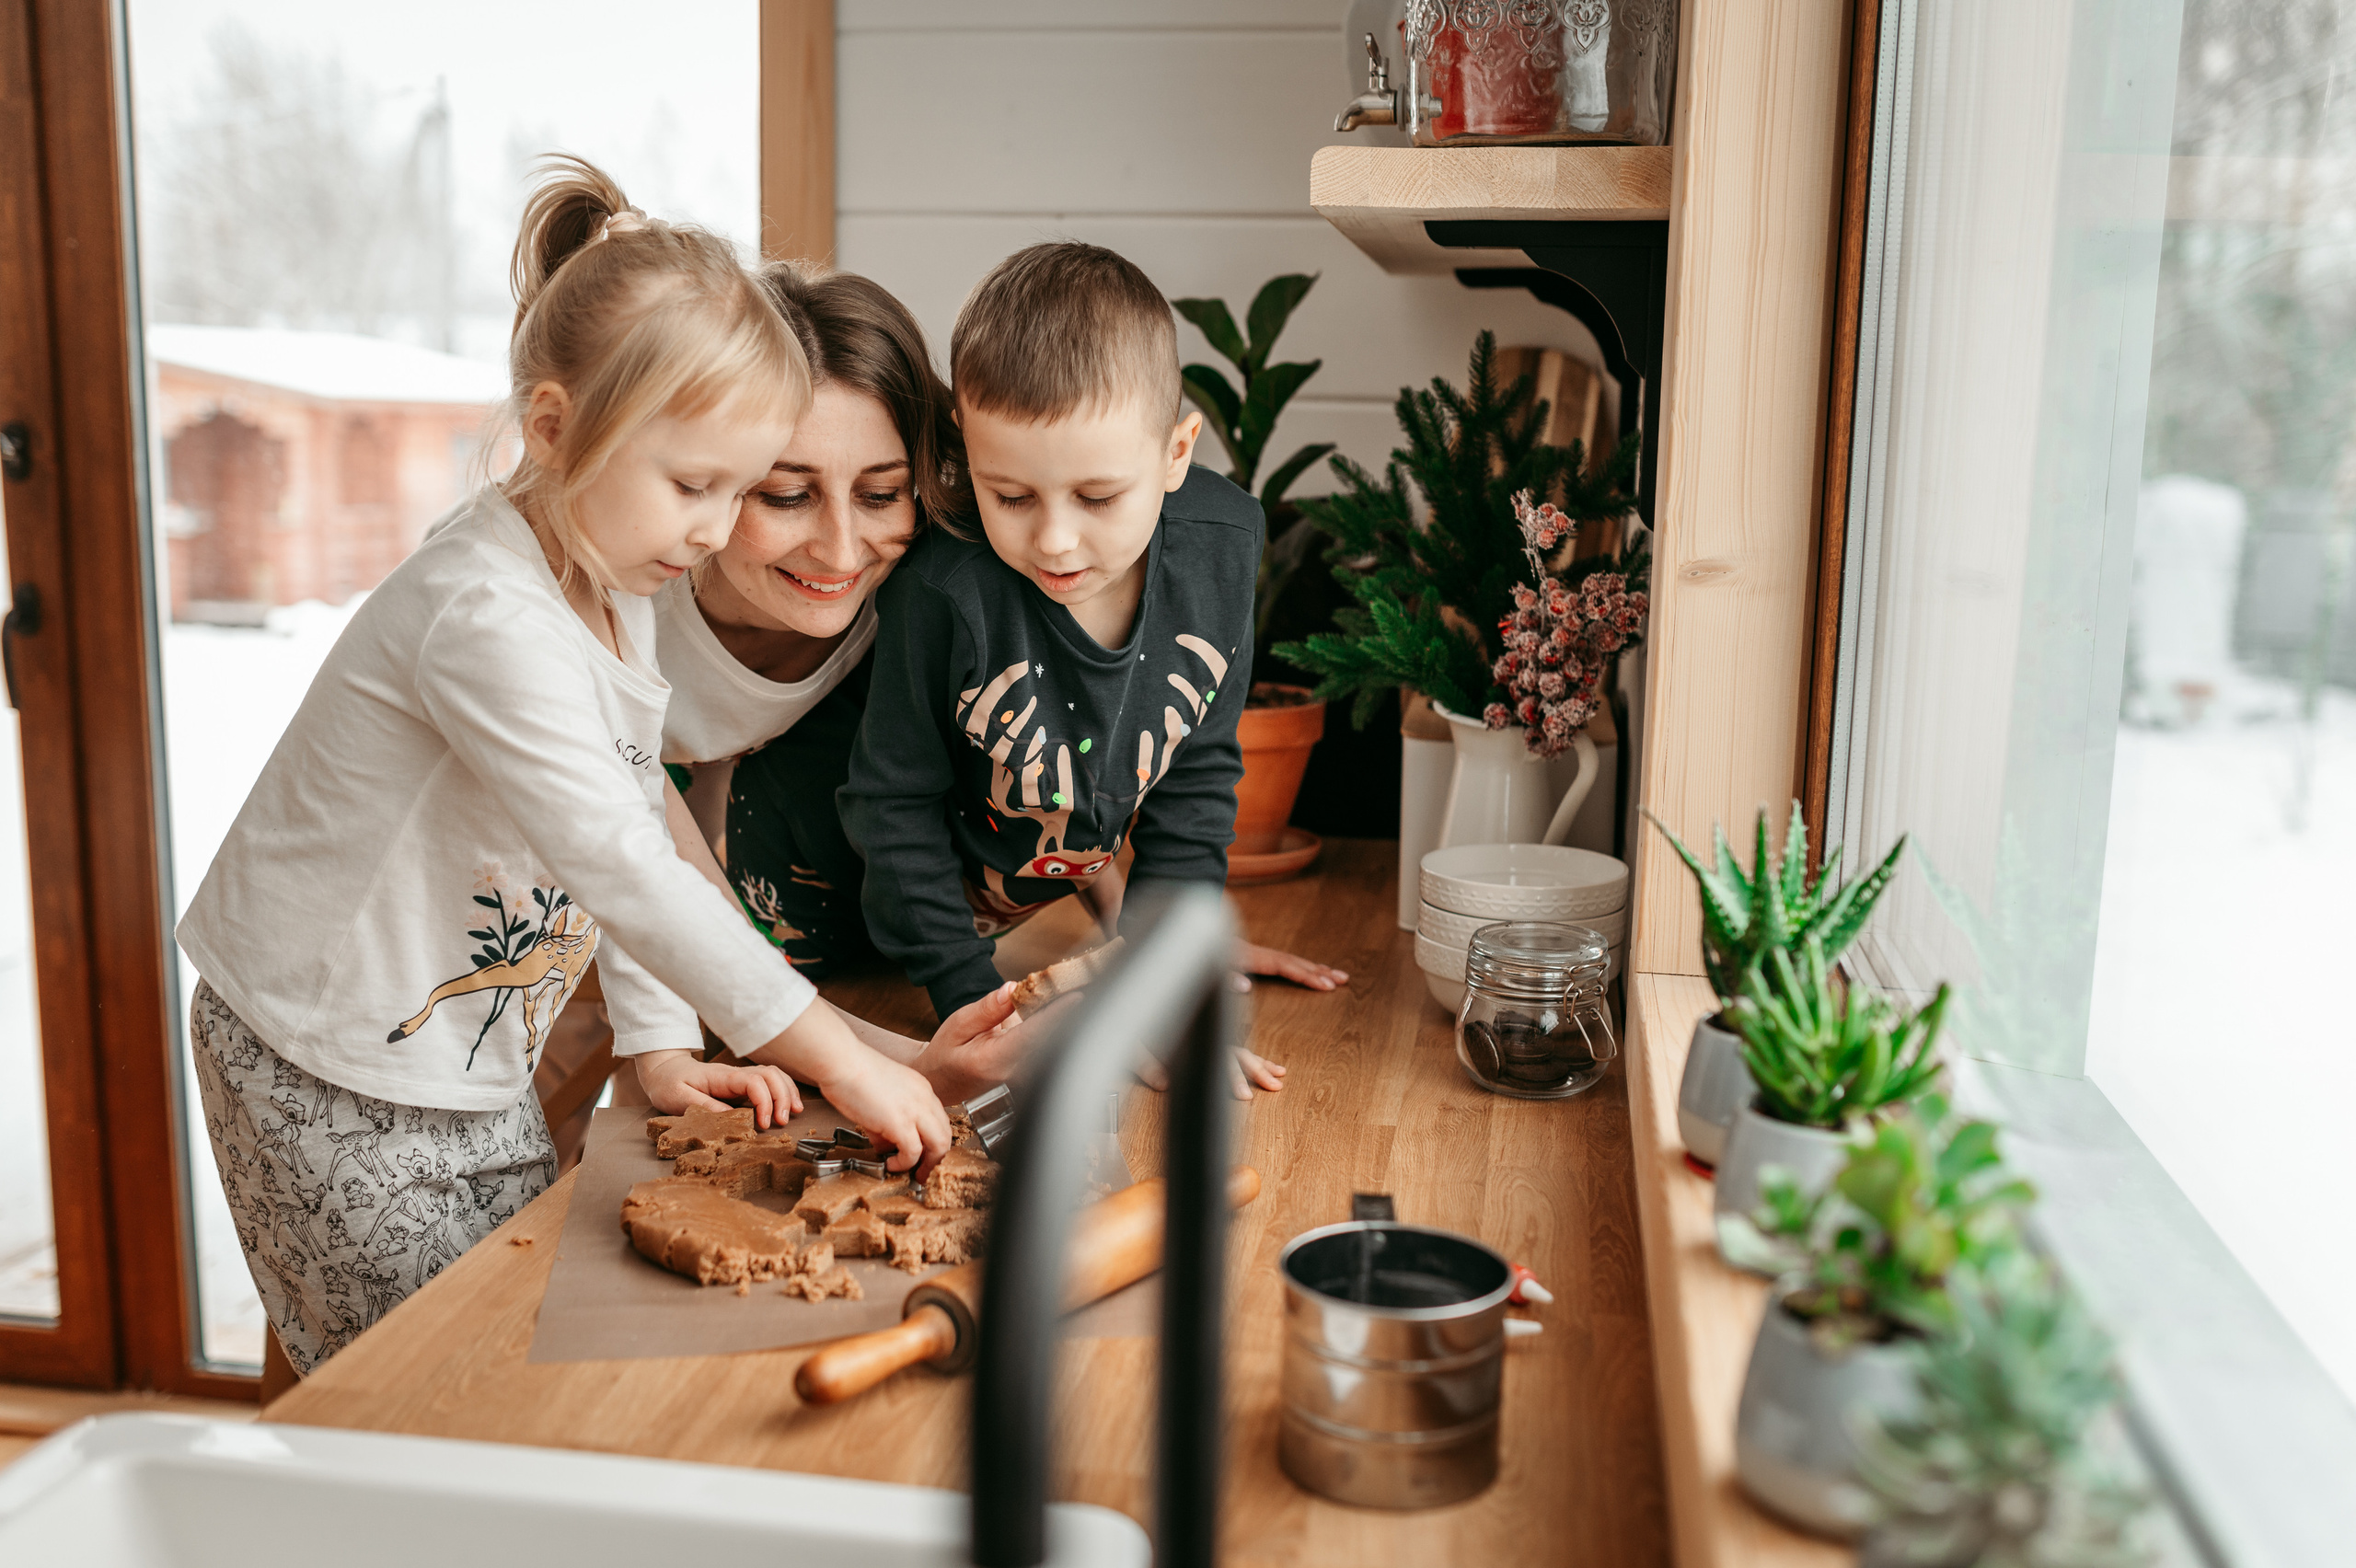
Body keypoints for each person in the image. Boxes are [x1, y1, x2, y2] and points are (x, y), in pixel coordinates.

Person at [175, 158, 1000, 1375]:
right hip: (321, 1056)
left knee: (508, 1341)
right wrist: (833, 1057)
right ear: (554, 429)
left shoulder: (615, 588)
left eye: (735, 490)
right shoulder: (484, 614)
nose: (713, 531)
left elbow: (627, 807)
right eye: (695, 486)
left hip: (460, 1055)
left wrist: (656, 1047)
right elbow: (624, 866)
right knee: (413, 1376)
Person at [837, 243, 1345, 1091]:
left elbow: (1195, 780)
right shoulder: (942, 588)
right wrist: (987, 1013)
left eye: (1099, 497)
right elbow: (892, 809)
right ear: (966, 444)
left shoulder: (1223, 548)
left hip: (979, 929)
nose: (1055, 540)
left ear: (1177, 453)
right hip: (834, 921)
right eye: (1010, 496)